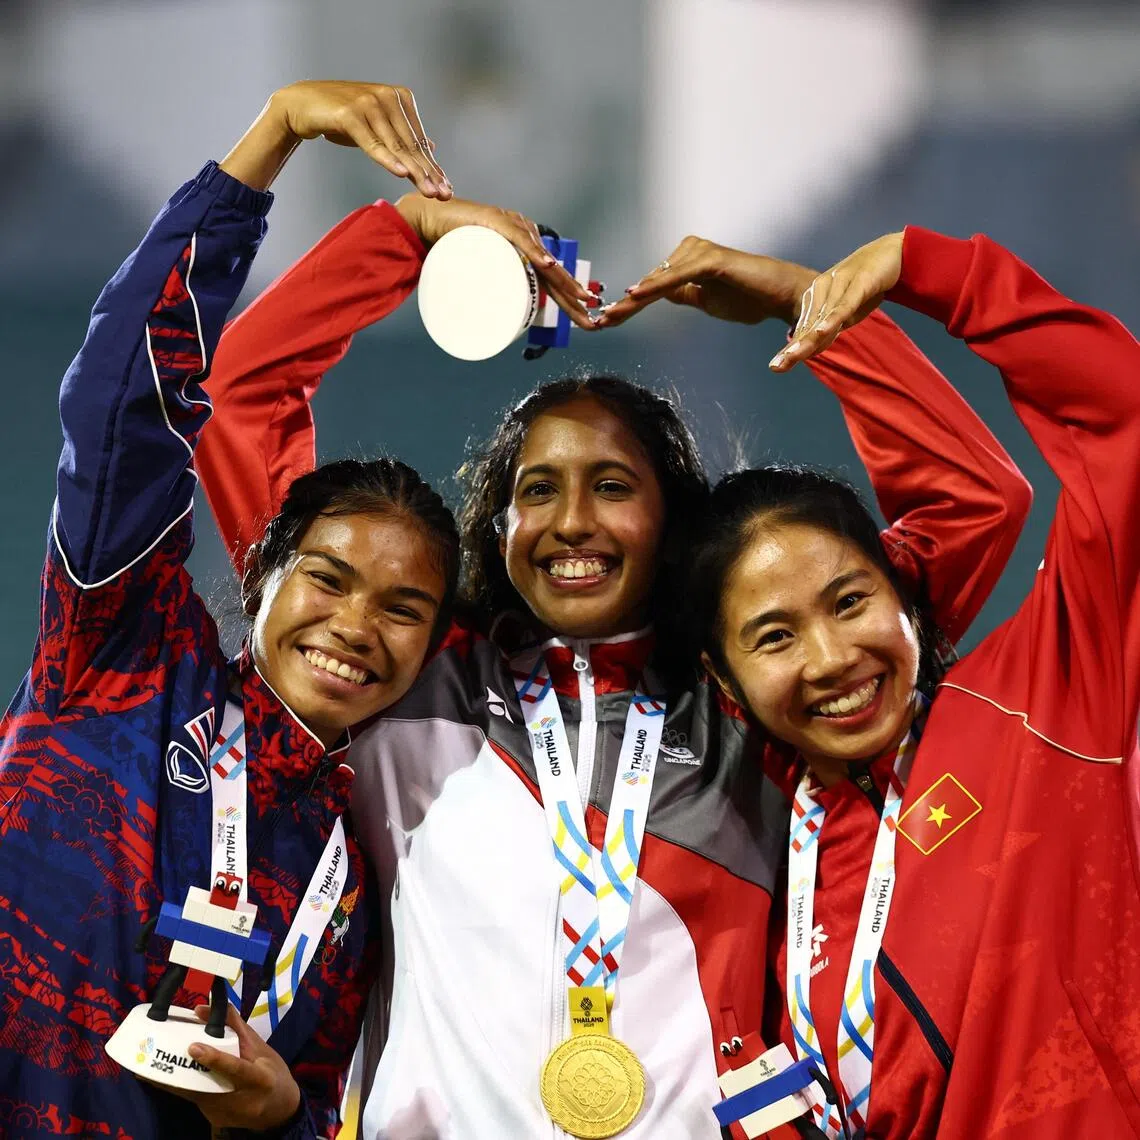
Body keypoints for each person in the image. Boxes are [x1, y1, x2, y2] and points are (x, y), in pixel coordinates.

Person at [193, 201, 1029, 1137]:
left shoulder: (753, 701)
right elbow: (240, 405)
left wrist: (811, 310)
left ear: (671, 522)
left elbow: (975, 501)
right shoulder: (411, 674)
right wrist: (417, 236)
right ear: (498, 527)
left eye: (614, 487)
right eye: (537, 490)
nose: (574, 523)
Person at [0, 78, 479, 1140]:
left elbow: (313, 1111)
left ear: (436, 642)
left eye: (405, 608)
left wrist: (277, 1115)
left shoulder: (361, 876)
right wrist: (276, 138)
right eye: (330, 579)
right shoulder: (124, 660)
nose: (357, 626)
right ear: (261, 574)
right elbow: (119, 402)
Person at [686, 228, 1140, 1137]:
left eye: (850, 601)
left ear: (903, 588)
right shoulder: (751, 837)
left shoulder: (1039, 702)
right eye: (774, 636)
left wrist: (910, 270)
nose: (830, 658)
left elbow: (1119, 415)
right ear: (723, 677)